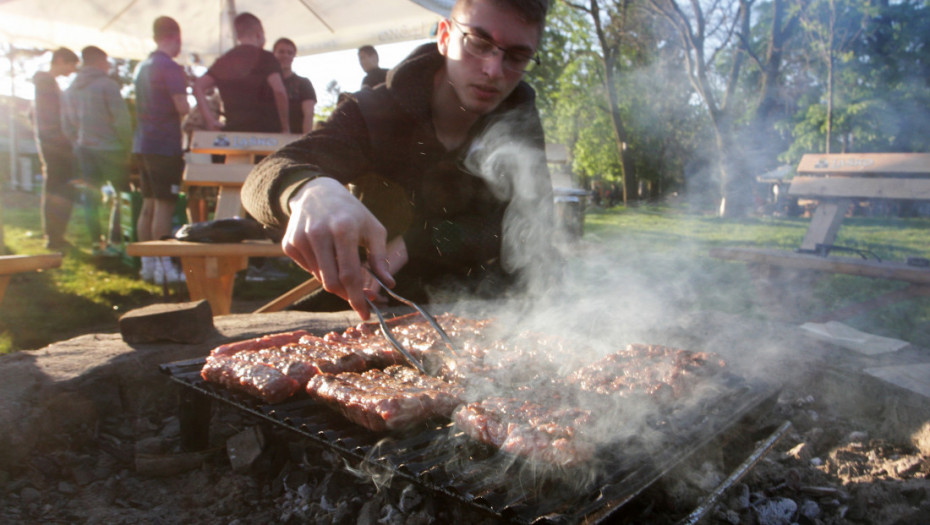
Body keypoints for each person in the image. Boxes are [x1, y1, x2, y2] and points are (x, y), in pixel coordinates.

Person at [241, 0, 556, 319]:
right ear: (445, 36)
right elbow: (266, 174)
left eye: (517, 56)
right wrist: (308, 190)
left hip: (485, 305)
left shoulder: (521, 121)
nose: (493, 70)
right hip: (372, 305)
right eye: (478, 42)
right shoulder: (375, 112)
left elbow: (529, 226)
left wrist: (411, 242)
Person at [132, 16, 190, 284]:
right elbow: (182, 107)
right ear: (175, 38)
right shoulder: (169, 67)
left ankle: (148, 265)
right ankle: (164, 266)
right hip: (165, 145)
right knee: (165, 206)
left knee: (149, 205)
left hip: (143, 143)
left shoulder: (142, 67)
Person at [61, 45, 132, 256]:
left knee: (91, 196)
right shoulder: (106, 85)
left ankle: (96, 243)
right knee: (122, 195)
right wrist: (127, 146)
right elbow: (121, 120)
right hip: (112, 149)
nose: (108, 65)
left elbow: (67, 124)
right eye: (106, 61)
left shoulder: (71, 89)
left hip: (85, 148)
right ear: (99, 61)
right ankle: (116, 241)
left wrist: (79, 141)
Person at [192, 12, 288, 133]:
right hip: (266, 132)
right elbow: (279, 91)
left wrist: (211, 121)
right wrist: (285, 126)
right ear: (259, 33)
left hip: (234, 131)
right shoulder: (267, 58)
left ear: (238, 36)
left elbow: (198, 86)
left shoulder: (224, 60)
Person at [32, 47, 79, 250]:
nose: (72, 70)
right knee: (58, 189)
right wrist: (61, 140)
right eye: (71, 65)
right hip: (55, 146)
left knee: (58, 188)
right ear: (60, 60)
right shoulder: (45, 83)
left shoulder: (48, 84)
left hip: (53, 143)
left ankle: (56, 234)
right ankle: (54, 236)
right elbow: (48, 116)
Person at [273, 37, 317, 134]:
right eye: (281, 52)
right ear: (274, 54)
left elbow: (308, 114)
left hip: (295, 138)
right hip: (268, 140)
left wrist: (306, 140)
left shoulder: (304, 83)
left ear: (294, 56)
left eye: (290, 53)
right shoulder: (267, 83)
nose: (285, 55)